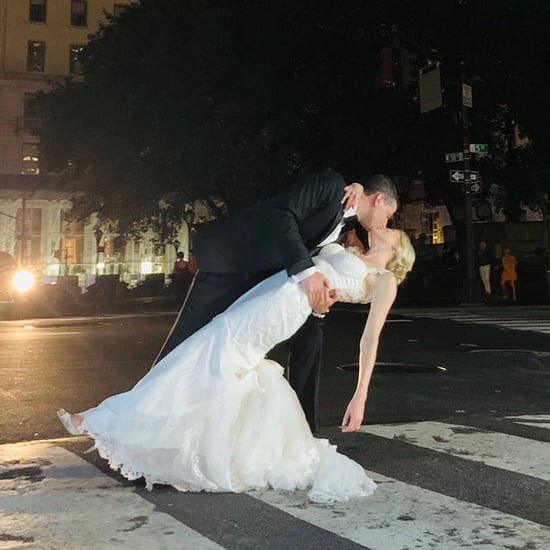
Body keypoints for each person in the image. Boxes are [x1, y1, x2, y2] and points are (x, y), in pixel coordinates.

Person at [57, 227, 415, 503]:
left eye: (392, 229)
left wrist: (360, 395)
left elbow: (370, 338)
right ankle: (154, 432)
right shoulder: (351, 250)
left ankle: (104, 418)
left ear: (398, 248)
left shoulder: (385, 281)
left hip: (282, 307)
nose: (384, 227)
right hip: (273, 291)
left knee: (207, 354)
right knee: (210, 357)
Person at [152, 169, 398, 431]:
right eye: (389, 215)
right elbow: (281, 214)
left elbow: (322, 263)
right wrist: (307, 273)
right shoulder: (331, 185)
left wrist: (321, 304)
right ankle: (138, 418)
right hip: (234, 263)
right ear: (379, 199)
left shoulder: (344, 226)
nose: (386, 223)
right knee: (185, 342)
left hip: (269, 287)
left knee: (310, 339)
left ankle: (303, 430)